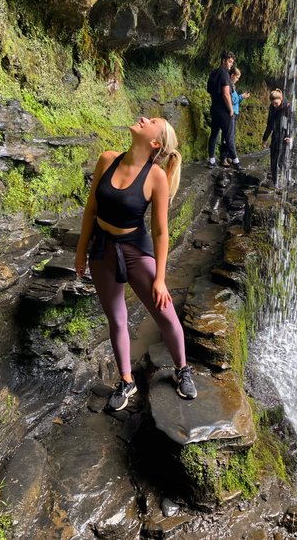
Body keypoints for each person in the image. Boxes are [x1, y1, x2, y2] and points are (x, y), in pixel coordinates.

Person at [75, 117, 197, 411]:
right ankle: (127, 380)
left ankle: (182, 369)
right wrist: (81, 251)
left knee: (165, 314)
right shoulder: (107, 160)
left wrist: (160, 279)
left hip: (135, 250)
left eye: (152, 121)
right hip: (102, 249)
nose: (143, 119)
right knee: (116, 318)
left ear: (155, 143)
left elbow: (160, 232)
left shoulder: (155, 177)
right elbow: (91, 208)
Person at [206, 51, 243, 170]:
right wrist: (231, 110)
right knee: (229, 136)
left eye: (232, 62)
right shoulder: (225, 73)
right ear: (223, 60)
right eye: (229, 61)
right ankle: (236, 162)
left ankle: (211, 160)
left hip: (214, 108)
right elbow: (226, 93)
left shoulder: (213, 73)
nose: (231, 64)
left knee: (214, 135)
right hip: (224, 110)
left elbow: (211, 92)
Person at [262, 89, 295, 188]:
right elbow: (269, 124)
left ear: (280, 99)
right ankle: (275, 182)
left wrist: (291, 136)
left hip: (285, 137)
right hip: (275, 136)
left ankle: (289, 178)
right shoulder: (272, 108)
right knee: (273, 159)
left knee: (281, 161)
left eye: (276, 103)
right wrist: (264, 139)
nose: (275, 106)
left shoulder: (288, 107)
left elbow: (294, 124)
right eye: (273, 104)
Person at [220, 67, 250, 167]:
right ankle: (224, 158)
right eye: (237, 77)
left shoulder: (232, 86)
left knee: (231, 136)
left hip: (234, 113)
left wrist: (242, 97)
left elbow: (235, 100)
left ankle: (228, 156)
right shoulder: (229, 86)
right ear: (232, 75)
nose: (238, 79)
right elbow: (232, 101)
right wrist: (241, 97)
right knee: (228, 137)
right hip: (230, 114)